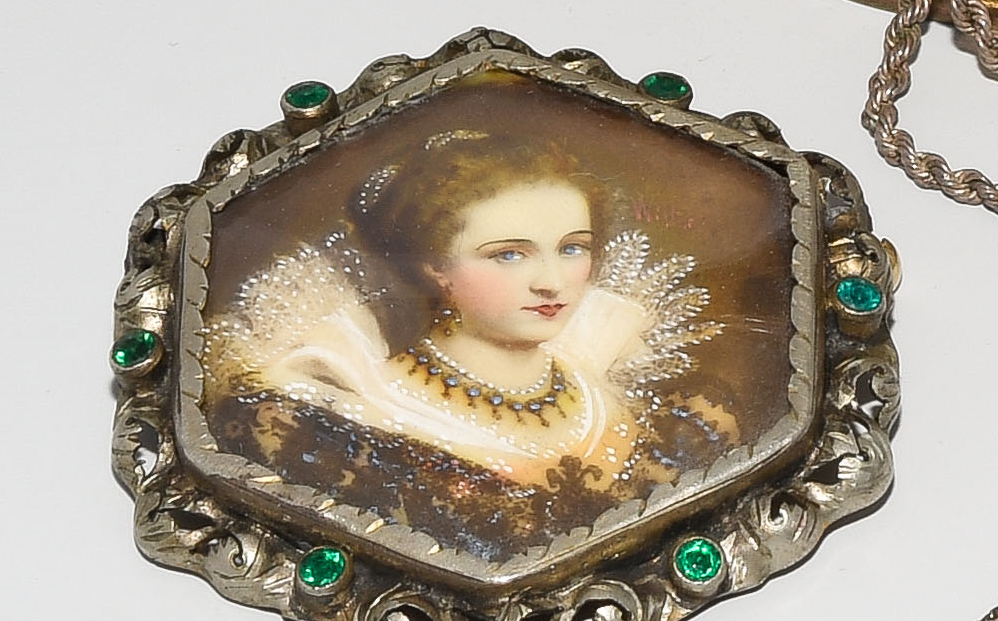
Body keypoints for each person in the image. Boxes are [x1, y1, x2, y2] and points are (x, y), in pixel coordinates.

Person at [201, 124, 716, 502]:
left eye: (572, 248)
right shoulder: (372, 404)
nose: (551, 282)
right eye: (508, 255)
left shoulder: (600, 379)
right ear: (435, 266)